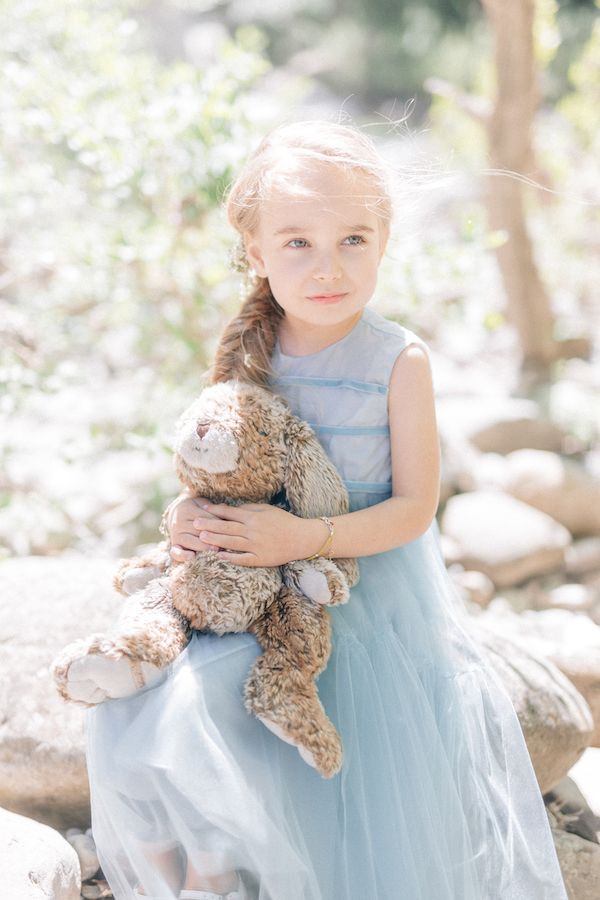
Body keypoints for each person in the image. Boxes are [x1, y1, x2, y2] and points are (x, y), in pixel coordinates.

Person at [86, 121, 568, 900]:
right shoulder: (255, 347)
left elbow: (415, 508)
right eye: (298, 244)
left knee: (238, 723)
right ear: (257, 254)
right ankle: (184, 871)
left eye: (352, 239)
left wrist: (304, 536)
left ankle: (228, 874)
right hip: (255, 577)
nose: (328, 267)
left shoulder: (396, 361)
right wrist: (190, 519)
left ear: (383, 241)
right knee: (136, 710)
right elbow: (222, 464)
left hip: (359, 589)